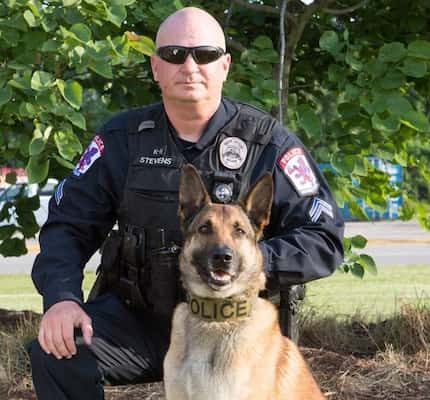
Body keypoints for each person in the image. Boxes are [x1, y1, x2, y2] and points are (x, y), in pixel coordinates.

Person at [28, 6, 344, 400]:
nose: (190, 65)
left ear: (225, 65)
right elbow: (67, 227)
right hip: (138, 324)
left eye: (205, 54)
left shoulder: (268, 144)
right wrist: (61, 299)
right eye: (175, 54)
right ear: (156, 67)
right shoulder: (123, 139)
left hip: (234, 328)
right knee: (57, 349)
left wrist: (248, 256)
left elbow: (323, 239)